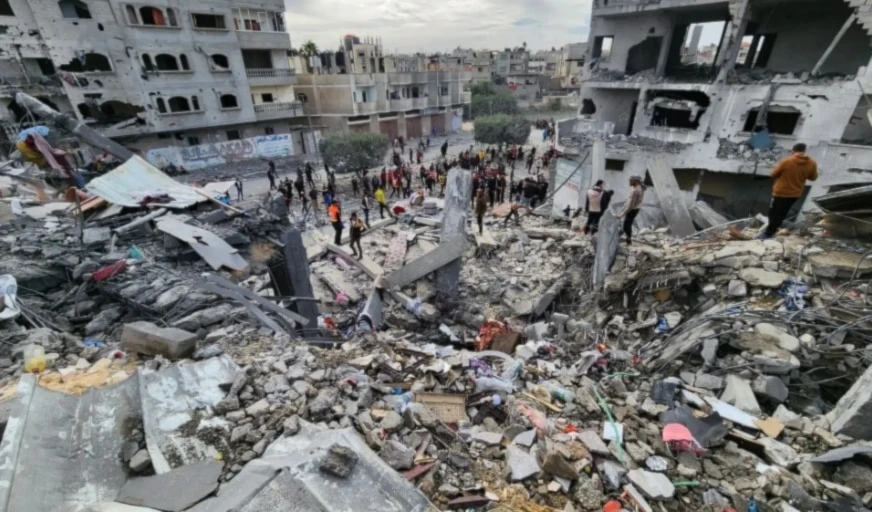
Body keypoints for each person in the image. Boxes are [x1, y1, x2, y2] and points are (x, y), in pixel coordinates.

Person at [758, 143, 819, 239]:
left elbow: (773, 174)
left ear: (793, 151)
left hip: (780, 192)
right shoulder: (812, 163)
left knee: (773, 213)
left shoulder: (787, 161)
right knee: (782, 213)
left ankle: (768, 233)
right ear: (804, 151)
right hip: (795, 194)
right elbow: (813, 177)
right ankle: (773, 229)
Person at [617, 176, 645, 245]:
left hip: (633, 209)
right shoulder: (636, 187)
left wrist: (621, 214)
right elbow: (630, 199)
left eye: (631, 181)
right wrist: (623, 207)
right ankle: (625, 236)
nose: (629, 182)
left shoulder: (636, 190)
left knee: (627, 225)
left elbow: (631, 205)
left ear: (636, 181)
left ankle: (628, 240)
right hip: (634, 207)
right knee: (626, 224)